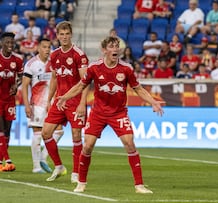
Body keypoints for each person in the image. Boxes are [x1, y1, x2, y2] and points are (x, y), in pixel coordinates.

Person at [56, 36, 164, 193]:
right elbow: (80, 85)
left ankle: (139, 185)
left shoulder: (126, 68)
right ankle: (81, 182)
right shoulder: (94, 67)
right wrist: (65, 97)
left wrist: (153, 102)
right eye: (112, 46)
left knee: (129, 143)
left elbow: (138, 89)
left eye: (117, 46)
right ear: (104, 50)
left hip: (119, 113)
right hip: (98, 113)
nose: (116, 49)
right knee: (87, 146)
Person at [41, 21, 89, 183]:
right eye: (61, 34)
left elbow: (85, 81)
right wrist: (49, 100)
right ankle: (59, 166)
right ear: (57, 36)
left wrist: (83, 103)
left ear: (71, 34)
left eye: (67, 33)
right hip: (59, 101)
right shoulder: (54, 55)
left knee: (76, 135)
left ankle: (76, 172)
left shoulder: (79, 55)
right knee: (45, 133)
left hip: (75, 101)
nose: (64, 37)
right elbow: (54, 78)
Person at [22, 37, 64, 174]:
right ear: (38, 48)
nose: (47, 50)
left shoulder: (54, 63)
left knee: (59, 131)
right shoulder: (31, 64)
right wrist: (27, 105)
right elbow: (24, 86)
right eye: (44, 47)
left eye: (49, 47)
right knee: (38, 134)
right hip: (37, 104)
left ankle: (43, 157)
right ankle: (36, 166)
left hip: (51, 103)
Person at [0, 32, 24, 172]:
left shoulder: (18, 60)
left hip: (9, 100)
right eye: (7, 42)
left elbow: (21, 77)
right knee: (1, 128)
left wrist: (17, 85)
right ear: (2, 43)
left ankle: (0, 161)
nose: (10, 45)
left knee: (7, 130)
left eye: (12, 43)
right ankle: (7, 160)